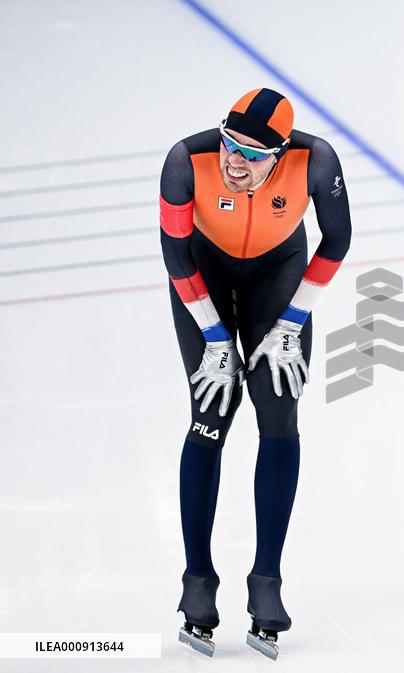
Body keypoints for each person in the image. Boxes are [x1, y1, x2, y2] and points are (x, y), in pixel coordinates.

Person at [159, 87, 351, 659]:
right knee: (211, 412)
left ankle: (267, 580)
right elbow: (176, 255)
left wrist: (292, 321)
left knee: (278, 408)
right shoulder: (185, 160)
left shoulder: (316, 160)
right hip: (205, 275)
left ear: (281, 154)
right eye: (229, 145)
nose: (235, 162)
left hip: (278, 273)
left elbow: (337, 240)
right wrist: (216, 338)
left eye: (253, 154)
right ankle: (197, 580)